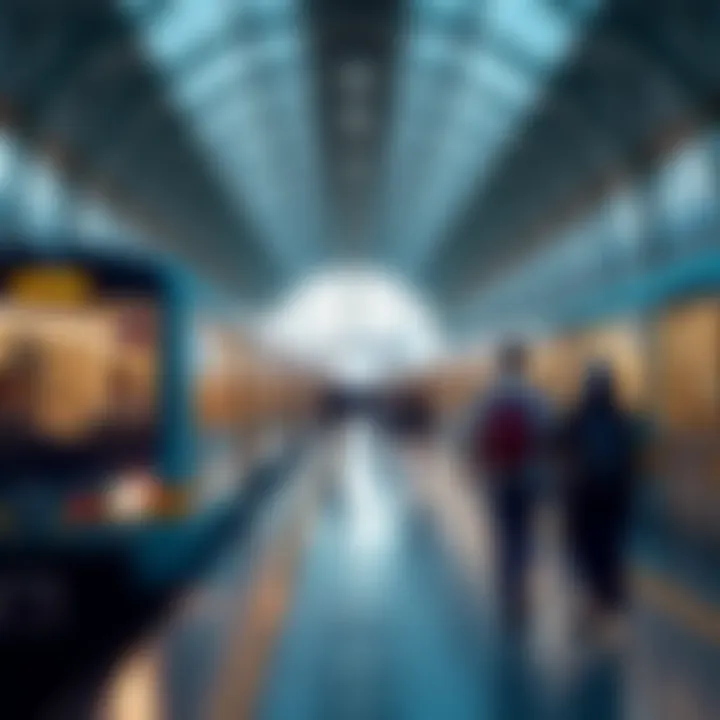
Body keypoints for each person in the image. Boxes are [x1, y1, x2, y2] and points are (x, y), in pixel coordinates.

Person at [465, 340, 551, 630]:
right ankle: (522, 587)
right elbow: (548, 433)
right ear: (524, 363)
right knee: (524, 532)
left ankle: (507, 586)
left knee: (503, 531)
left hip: (498, 476)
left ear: (500, 364)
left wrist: (477, 467)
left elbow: (472, 434)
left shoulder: (489, 397)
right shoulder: (535, 397)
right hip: (530, 476)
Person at [556, 361, 641, 641]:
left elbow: (562, 454)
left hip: (584, 495)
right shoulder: (622, 418)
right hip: (615, 495)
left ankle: (597, 600)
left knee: (585, 547)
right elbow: (632, 460)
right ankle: (609, 600)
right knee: (610, 545)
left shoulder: (576, 417)